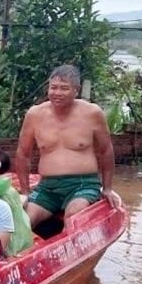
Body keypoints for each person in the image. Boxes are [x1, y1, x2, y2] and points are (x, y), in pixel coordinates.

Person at [15, 65, 121, 230]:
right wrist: (25, 193)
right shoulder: (35, 114)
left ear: (76, 90)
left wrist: (107, 188)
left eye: (64, 88)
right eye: (53, 87)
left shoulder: (92, 113)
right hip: (47, 187)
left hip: (83, 184)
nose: (57, 93)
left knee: (73, 217)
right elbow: (23, 153)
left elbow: (106, 150)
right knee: (23, 222)